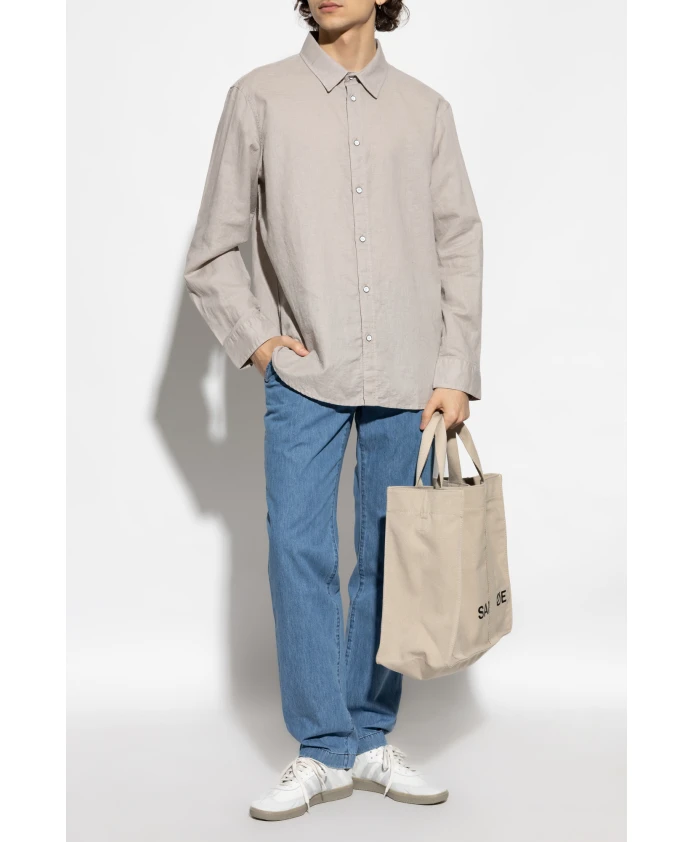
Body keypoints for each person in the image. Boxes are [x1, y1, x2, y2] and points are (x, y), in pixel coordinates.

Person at [184, 0, 483, 821]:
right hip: (304, 372)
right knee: (298, 550)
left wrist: (455, 369)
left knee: (390, 554)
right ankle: (322, 750)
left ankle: (369, 738)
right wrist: (259, 342)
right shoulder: (259, 96)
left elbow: (458, 240)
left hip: (410, 375)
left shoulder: (424, 110)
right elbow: (213, 247)